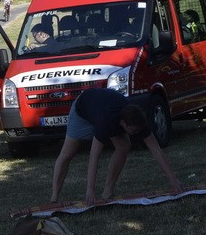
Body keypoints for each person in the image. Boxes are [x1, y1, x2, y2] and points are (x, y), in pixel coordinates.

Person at [49, 88, 182, 206]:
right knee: (67, 153)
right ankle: (54, 198)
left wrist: (174, 180)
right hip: (82, 110)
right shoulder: (106, 122)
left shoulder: (138, 120)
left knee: (124, 146)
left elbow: (156, 150)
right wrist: (90, 189)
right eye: (134, 130)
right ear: (124, 124)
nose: (136, 134)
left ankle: (107, 192)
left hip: (103, 106)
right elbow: (94, 156)